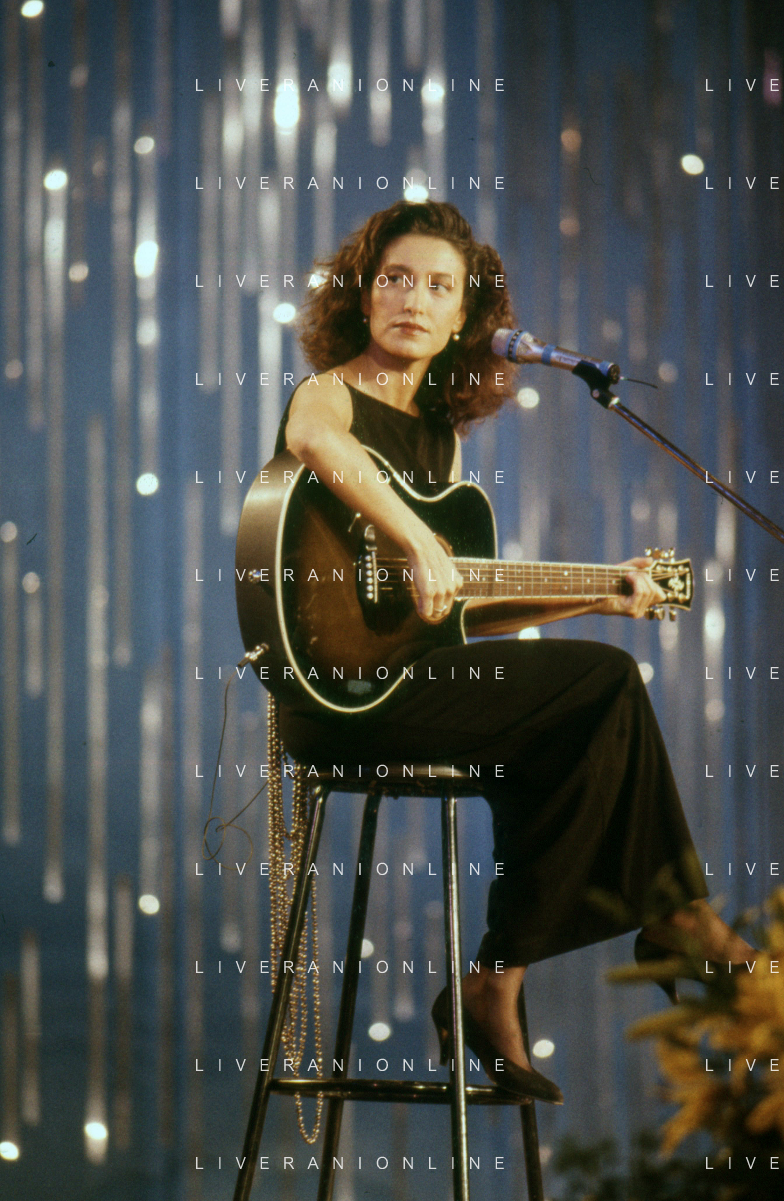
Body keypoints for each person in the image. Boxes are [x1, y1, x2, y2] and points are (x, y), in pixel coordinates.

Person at [272, 199, 755, 1104]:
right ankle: (668, 920)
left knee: (586, 721)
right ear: (363, 295)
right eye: (396, 279)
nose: (414, 299)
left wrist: (602, 592)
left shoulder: (440, 437)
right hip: (339, 699)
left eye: (439, 287)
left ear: (467, 317)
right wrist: (416, 538)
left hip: (414, 679)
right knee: (606, 688)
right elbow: (314, 441)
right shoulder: (330, 393)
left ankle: (506, 975)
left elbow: (455, 619)